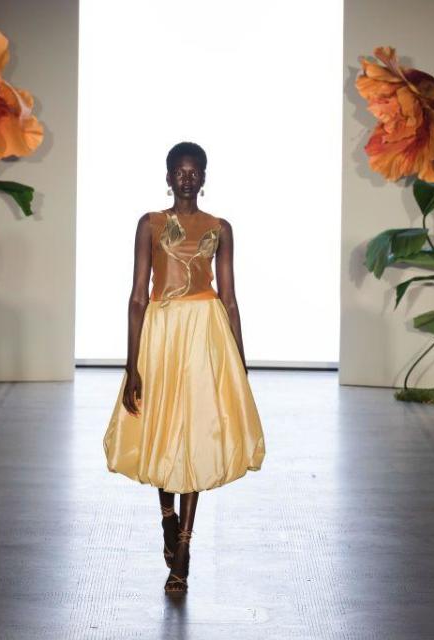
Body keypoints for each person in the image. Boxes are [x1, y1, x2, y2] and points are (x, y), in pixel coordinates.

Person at [103, 141, 266, 594]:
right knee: (162, 427)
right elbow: (138, 296)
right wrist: (132, 365)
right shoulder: (150, 224)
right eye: (180, 170)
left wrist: (241, 361)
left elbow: (230, 298)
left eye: (195, 171)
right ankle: (167, 517)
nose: (188, 177)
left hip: (205, 335)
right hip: (162, 332)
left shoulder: (221, 228)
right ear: (169, 175)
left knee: (194, 432)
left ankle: (184, 552)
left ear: (205, 176)